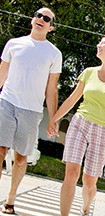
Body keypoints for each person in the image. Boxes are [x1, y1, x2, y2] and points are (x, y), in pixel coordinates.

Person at [47, 34, 105, 216]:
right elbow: (72, 99)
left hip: (104, 129)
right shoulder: (88, 72)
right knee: (71, 173)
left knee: (89, 180)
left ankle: (86, 208)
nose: (98, 46)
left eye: (102, 44)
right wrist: (53, 119)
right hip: (81, 122)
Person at [0, 7, 62, 214]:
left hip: (31, 111)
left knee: (20, 158)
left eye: (46, 18)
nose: (41, 19)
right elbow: (2, 73)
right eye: (38, 16)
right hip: (6, 102)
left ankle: (11, 198)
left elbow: (51, 89)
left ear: (50, 27)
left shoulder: (54, 53)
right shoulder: (14, 44)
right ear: (32, 20)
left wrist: (53, 118)